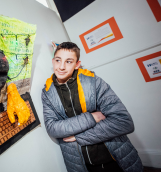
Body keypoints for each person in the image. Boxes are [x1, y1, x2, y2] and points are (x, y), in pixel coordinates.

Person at [41, 42, 143, 172]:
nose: (61, 67)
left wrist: (79, 137)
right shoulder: (47, 92)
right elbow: (53, 128)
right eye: (58, 60)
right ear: (53, 61)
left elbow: (123, 122)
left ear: (77, 64)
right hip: (81, 165)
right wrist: (93, 117)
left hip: (115, 159)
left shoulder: (93, 81)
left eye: (69, 61)